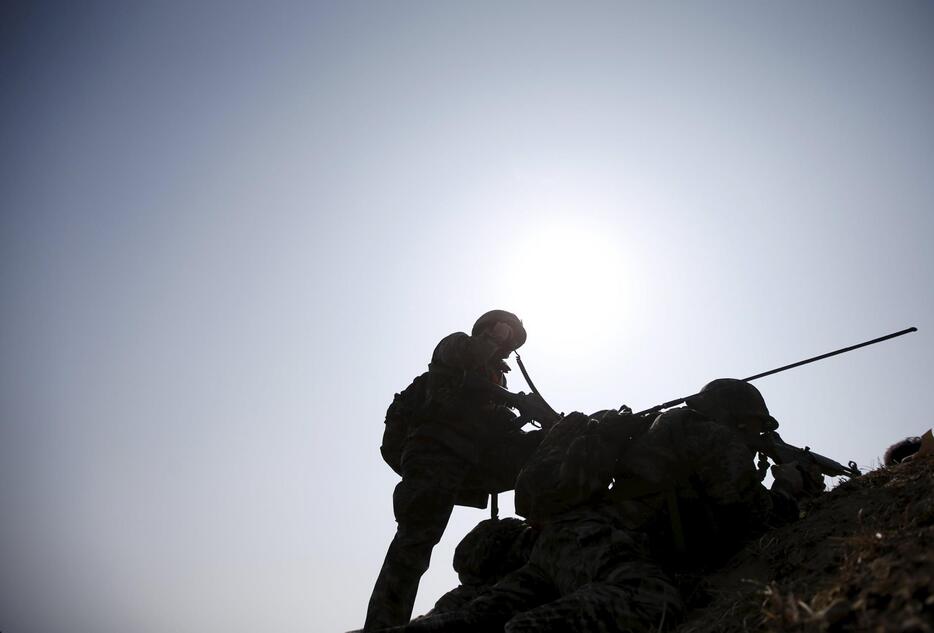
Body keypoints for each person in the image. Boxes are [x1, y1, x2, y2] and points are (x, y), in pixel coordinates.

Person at [364, 310, 545, 630]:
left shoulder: (496, 375)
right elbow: (463, 372)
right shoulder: (458, 345)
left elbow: (493, 427)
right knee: (414, 544)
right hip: (434, 452)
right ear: (490, 328)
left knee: (544, 449)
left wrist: (529, 415)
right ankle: (382, 625)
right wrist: (494, 338)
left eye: (513, 340)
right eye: (509, 334)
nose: (510, 344)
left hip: (467, 458)